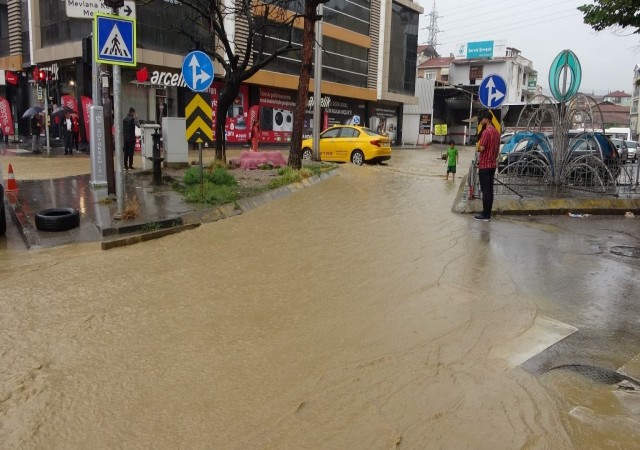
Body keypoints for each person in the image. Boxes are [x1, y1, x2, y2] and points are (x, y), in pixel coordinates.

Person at [475, 110, 500, 221]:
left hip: (485, 165)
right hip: (493, 165)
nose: (481, 122)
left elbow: (482, 148)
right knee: (490, 190)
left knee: (485, 191)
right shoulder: (496, 132)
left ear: (486, 119)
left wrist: (478, 147)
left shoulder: (486, 132)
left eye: (482, 120)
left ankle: (485, 215)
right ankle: (487, 213)